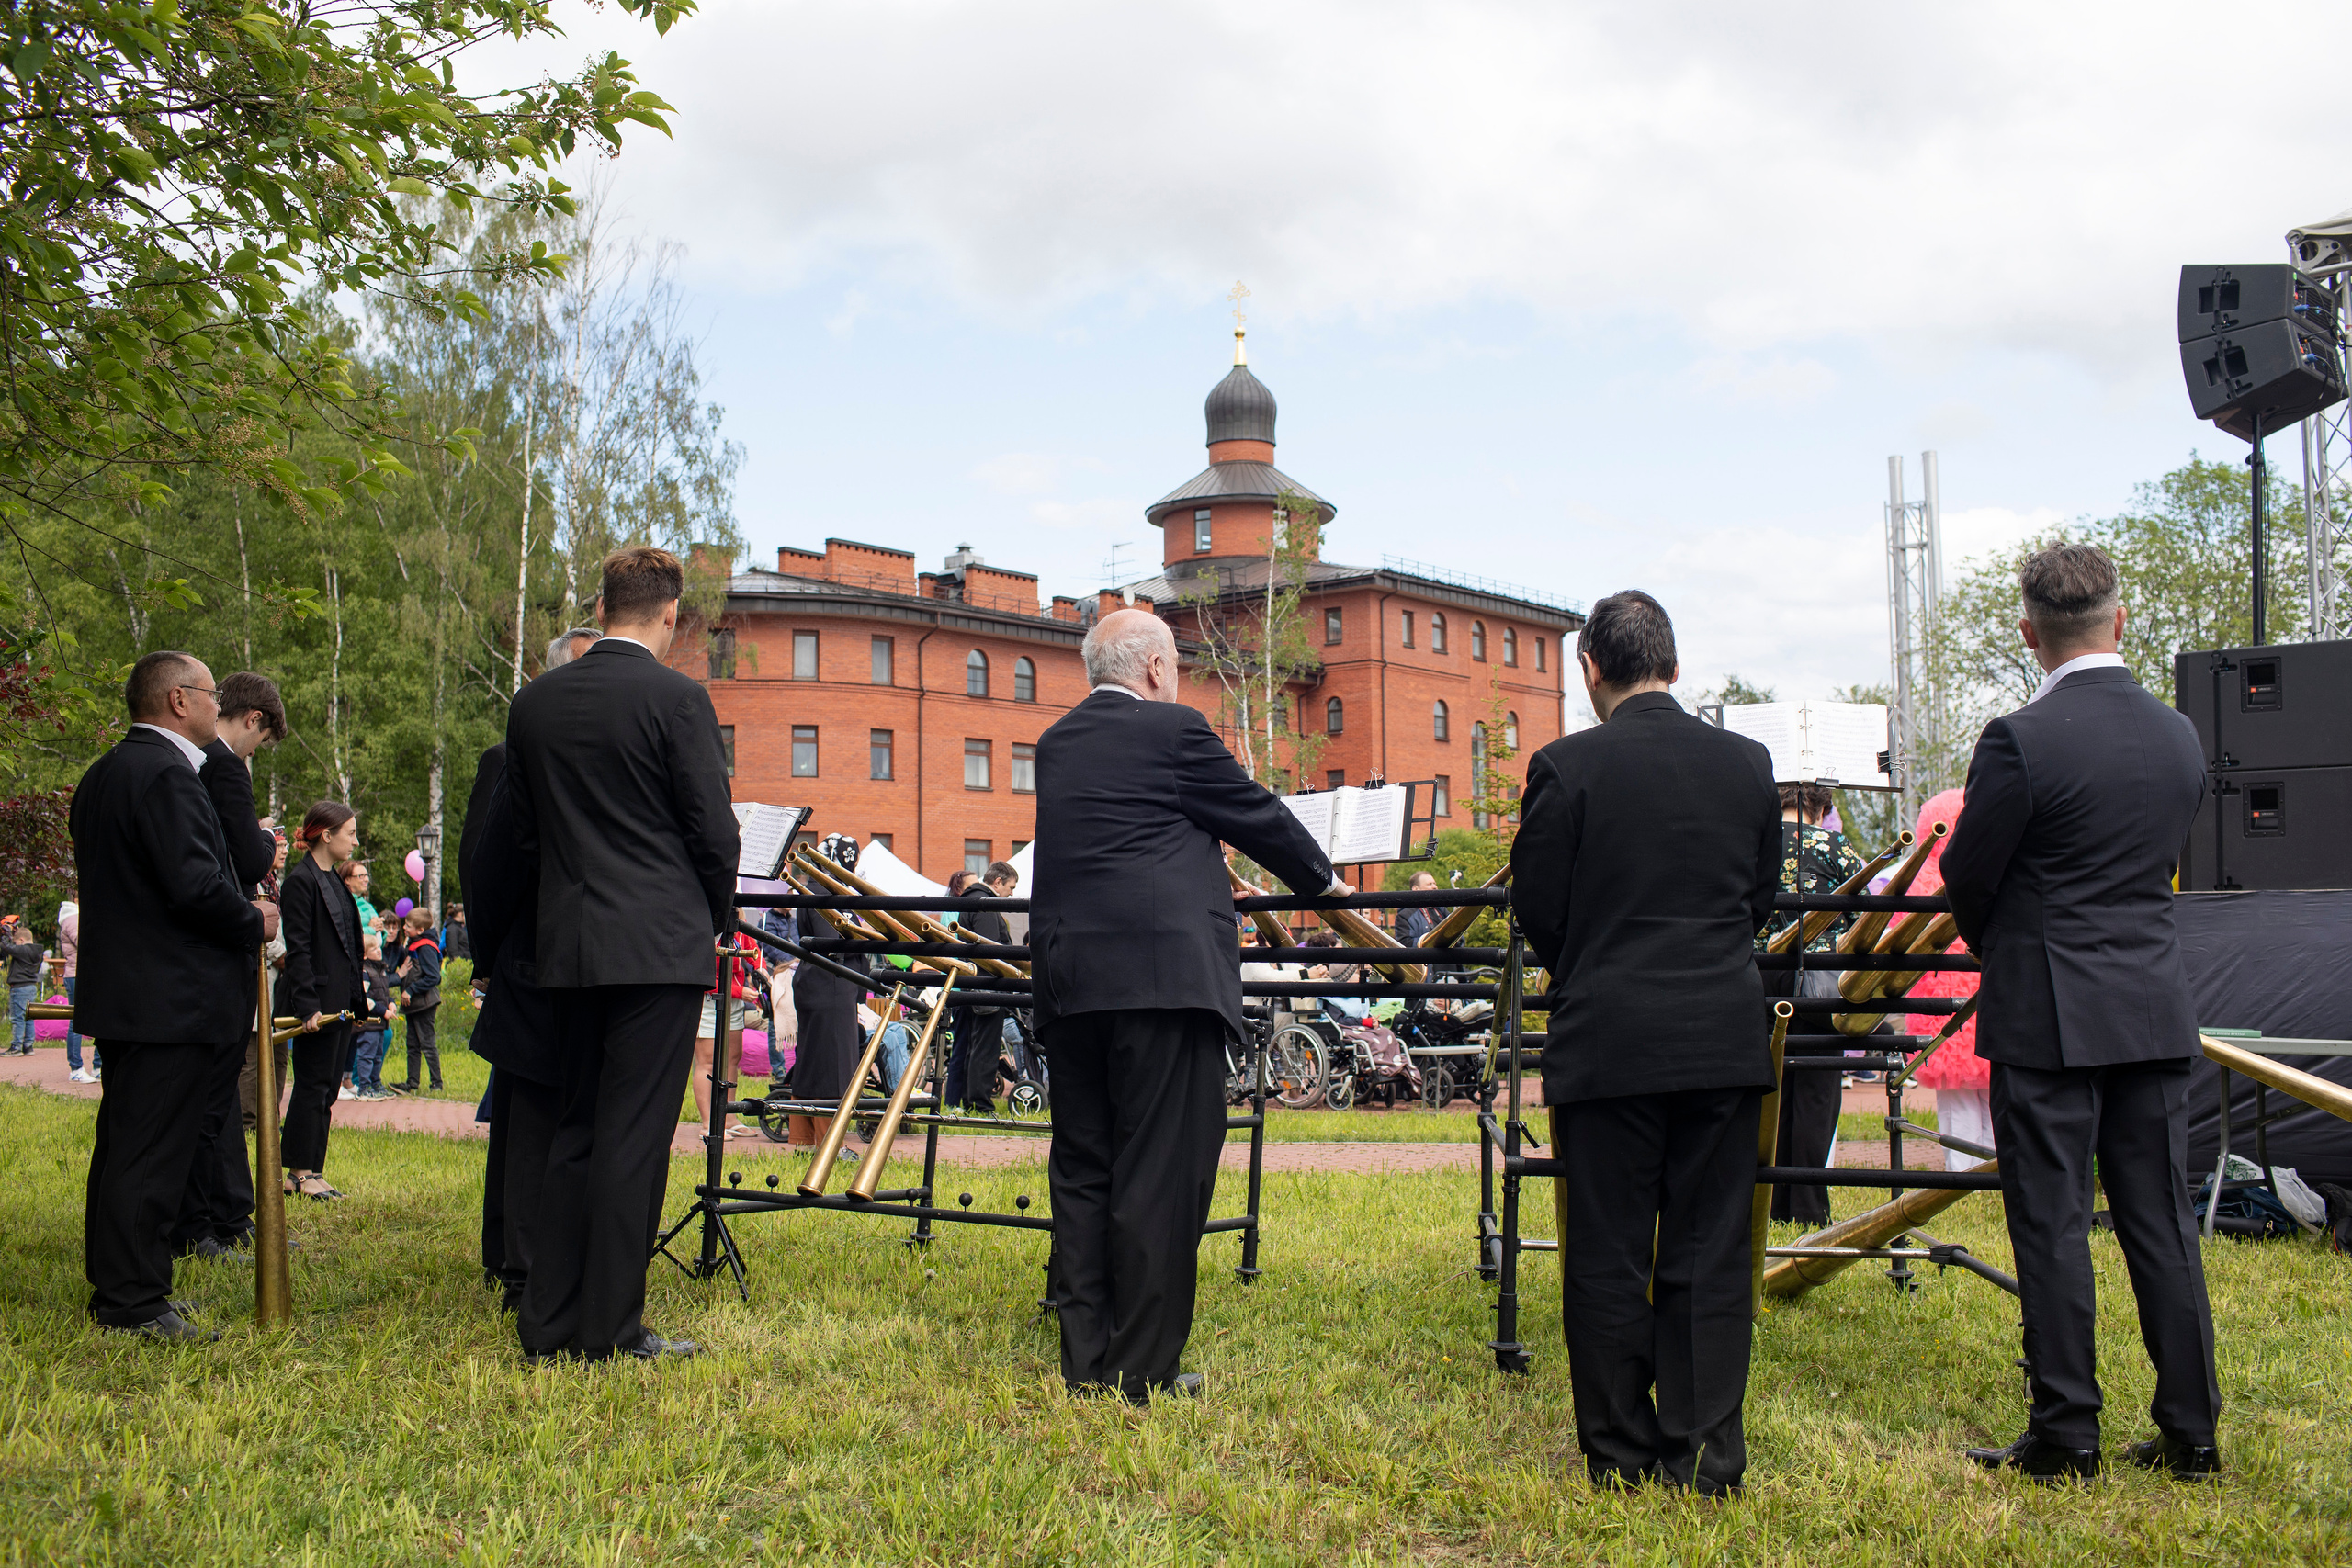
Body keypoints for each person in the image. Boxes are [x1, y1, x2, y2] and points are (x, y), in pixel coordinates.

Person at [1941, 543, 2221, 1483]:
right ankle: (2192, 1431)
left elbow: (1966, 876)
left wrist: (2013, 948)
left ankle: (2068, 1432)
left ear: (2030, 633)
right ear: (2120, 620)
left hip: (2048, 1009)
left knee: (2053, 1223)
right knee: (2162, 1221)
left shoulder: (2018, 739)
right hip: (2152, 1004)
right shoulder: (2180, 735)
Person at [1031, 607, 1344, 1404]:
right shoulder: (1174, 729)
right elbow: (1255, 812)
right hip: (1163, 982)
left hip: (1072, 983)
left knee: (1084, 1167)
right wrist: (1327, 882)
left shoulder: (1056, 743)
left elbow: (1117, 840)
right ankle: (1140, 1370)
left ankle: (1086, 1362)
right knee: (1161, 1172)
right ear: (1157, 668)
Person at [1509, 590, 1780, 1495]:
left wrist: (1594, 964)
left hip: (1609, 1035)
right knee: (1709, 1249)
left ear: (1589, 667)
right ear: (1674, 662)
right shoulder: (1747, 763)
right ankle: (1704, 1452)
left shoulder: (1564, 765)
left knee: (1608, 1251)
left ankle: (1620, 1453)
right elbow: (1760, 899)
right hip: (1721, 1033)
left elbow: (1540, 908)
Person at [504, 548, 740, 1363]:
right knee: (634, 1139)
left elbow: (525, 833)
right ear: (670, 615)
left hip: (569, 944)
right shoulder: (679, 698)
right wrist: (712, 917)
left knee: (575, 1127)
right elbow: (715, 831)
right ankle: (609, 1328)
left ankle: (547, 1322)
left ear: (601, 607)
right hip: (658, 947)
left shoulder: (534, 703)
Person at [70, 650, 275, 1340]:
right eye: (212, 694)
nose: (220, 707)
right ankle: (133, 1302)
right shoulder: (165, 775)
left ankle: (122, 1285)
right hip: (169, 999)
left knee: (126, 1146)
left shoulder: (105, 772)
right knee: (151, 1154)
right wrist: (254, 918)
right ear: (179, 700)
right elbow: (194, 886)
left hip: (131, 994)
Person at [460, 624, 600, 1314]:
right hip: (529, 964)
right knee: (527, 1123)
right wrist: (489, 960)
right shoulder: (508, 758)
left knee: (543, 1119)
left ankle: (524, 1254)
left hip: (584, 965)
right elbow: (484, 866)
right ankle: (518, 1266)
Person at [173, 670, 285, 1256]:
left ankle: (223, 1215)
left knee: (211, 1098)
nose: (254, 754)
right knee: (214, 1098)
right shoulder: (223, 765)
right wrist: (267, 841)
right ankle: (211, 1220)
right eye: (260, 743)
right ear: (253, 719)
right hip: (220, 952)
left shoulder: (194, 764)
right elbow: (245, 858)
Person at [1759, 780, 1866, 1226]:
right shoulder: (1835, 847)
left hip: (1759, 978)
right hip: (1821, 983)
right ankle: (1806, 1208)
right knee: (1816, 1096)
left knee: (1766, 1091)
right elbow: (1866, 918)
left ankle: (1763, 1204)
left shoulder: (1753, 841)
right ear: (1822, 809)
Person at [277, 800, 368, 1201]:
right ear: (326, 835)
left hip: (339, 1002)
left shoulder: (332, 880)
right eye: (350, 833)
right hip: (317, 1005)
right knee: (312, 1086)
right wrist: (307, 1006)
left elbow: (347, 948)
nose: (355, 841)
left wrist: (357, 1002)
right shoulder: (301, 881)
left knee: (328, 1088)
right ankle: (297, 1173)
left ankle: (313, 1170)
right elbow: (298, 950)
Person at [1897, 790, 1992, 1172]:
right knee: (1995, 1090)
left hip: (1941, 1003)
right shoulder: (1988, 871)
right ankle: (1997, 1166)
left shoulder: (1922, 879)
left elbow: (1899, 932)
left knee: (1956, 1098)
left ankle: (1963, 1168)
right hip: (1988, 994)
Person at [789, 835, 873, 1150]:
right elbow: (833, 940)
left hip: (822, 983)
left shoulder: (819, 888)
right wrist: (867, 937)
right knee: (834, 1065)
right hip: (831, 984)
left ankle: (803, 1138)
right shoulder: (826, 892)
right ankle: (830, 1144)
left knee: (812, 1061)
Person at [944, 861, 1017, 1111]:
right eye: (1010, 887)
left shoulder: (971, 900)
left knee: (973, 1048)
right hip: (987, 987)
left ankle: (970, 1101)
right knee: (985, 1049)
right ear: (997, 882)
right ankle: (980, 1104)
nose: (1011, 894)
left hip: (974, 985)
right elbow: (991, 950)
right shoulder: (985, 905)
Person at [693, 930, 765, 1138]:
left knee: (732, 1058)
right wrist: (738, 991)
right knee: (707, 1061)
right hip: (708, 999)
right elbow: (700, 972)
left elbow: (753, 950)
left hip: (734, 1001)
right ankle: (708, 1123)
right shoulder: (704, 928)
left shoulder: (738, 929)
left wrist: (761, 968)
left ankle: (729, 1118)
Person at [393, 908, 444, 1091]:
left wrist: (411, 990)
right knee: (413, 1045)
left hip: (425, 1003)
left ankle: (437, 1084)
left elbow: (434, 977)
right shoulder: (414, 943)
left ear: (420, 930)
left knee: (427, 1045)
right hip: (414, 1005)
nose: (404, 928)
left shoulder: (426, 946)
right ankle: (412, 1083)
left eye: (408, 926)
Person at [349, 932, 395, 1100]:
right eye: (373, 948)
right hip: (369, 1022)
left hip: (380, 1023)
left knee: (377, 1055)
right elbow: (365, 999)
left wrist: (391, 1003)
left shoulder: (380, 970)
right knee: (366, 1055)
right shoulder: (365, 972)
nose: (378, 950)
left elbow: (383, 994)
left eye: (378, 947)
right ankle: (364, 1087)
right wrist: (383, 1011)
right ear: (364, 954)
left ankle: (376, 1083)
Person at [59, 900, 92, 1082]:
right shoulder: (72, 919)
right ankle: (76, 1068)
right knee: (76, 1020)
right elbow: (85, 943)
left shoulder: (73, 918)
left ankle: (97, 1066)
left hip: (79, 974)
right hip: (76, 974)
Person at [1, 914, 42, 1055]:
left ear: (22, 940)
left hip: (19, 988)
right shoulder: (36, 951)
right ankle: (28, 1046)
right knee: (29, 1017)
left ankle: (16, 1046)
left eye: (16, 941)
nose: (15, 944)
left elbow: (7, 947)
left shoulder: (23, 950)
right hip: (31, 987)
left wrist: (5, 934)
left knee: (18, 1018)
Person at [1395, 871, 1446, 947]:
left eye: (1435, 883)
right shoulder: (1405, 915)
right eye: (1430, 884)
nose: (1435, 887)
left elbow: (1458, 937)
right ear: (1416, 889)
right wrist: (1432, 941)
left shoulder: (1441, 910)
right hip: (1423, 955)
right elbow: (1404, 944)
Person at [342, 858, 382, 945]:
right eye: (361, 876)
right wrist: (371, 929)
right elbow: (345, 934)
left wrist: (381, 930)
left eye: (367, 875)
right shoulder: (341, 904)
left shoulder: (368, 906)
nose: (367, 879)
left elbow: (379, 943)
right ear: (347, 879)